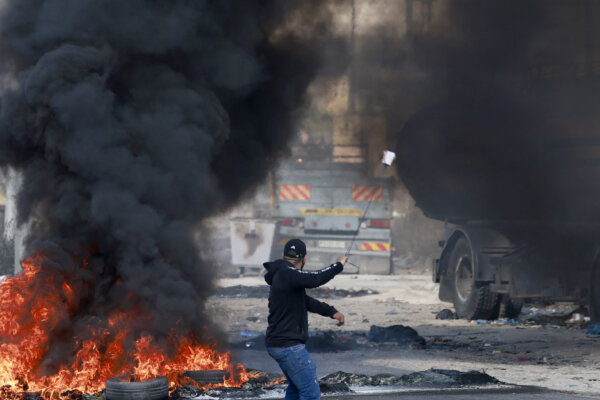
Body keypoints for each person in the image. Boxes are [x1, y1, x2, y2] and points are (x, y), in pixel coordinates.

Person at [263, 238, 347, 400]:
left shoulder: (283, 275)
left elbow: (305, 301)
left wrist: (331, 312)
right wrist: (339, 265)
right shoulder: (288, 274)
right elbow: (316, 278)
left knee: (296, 389)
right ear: (304, 258)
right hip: (288, 346)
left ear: (283, 255)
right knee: (310, 392)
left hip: (279, 344)